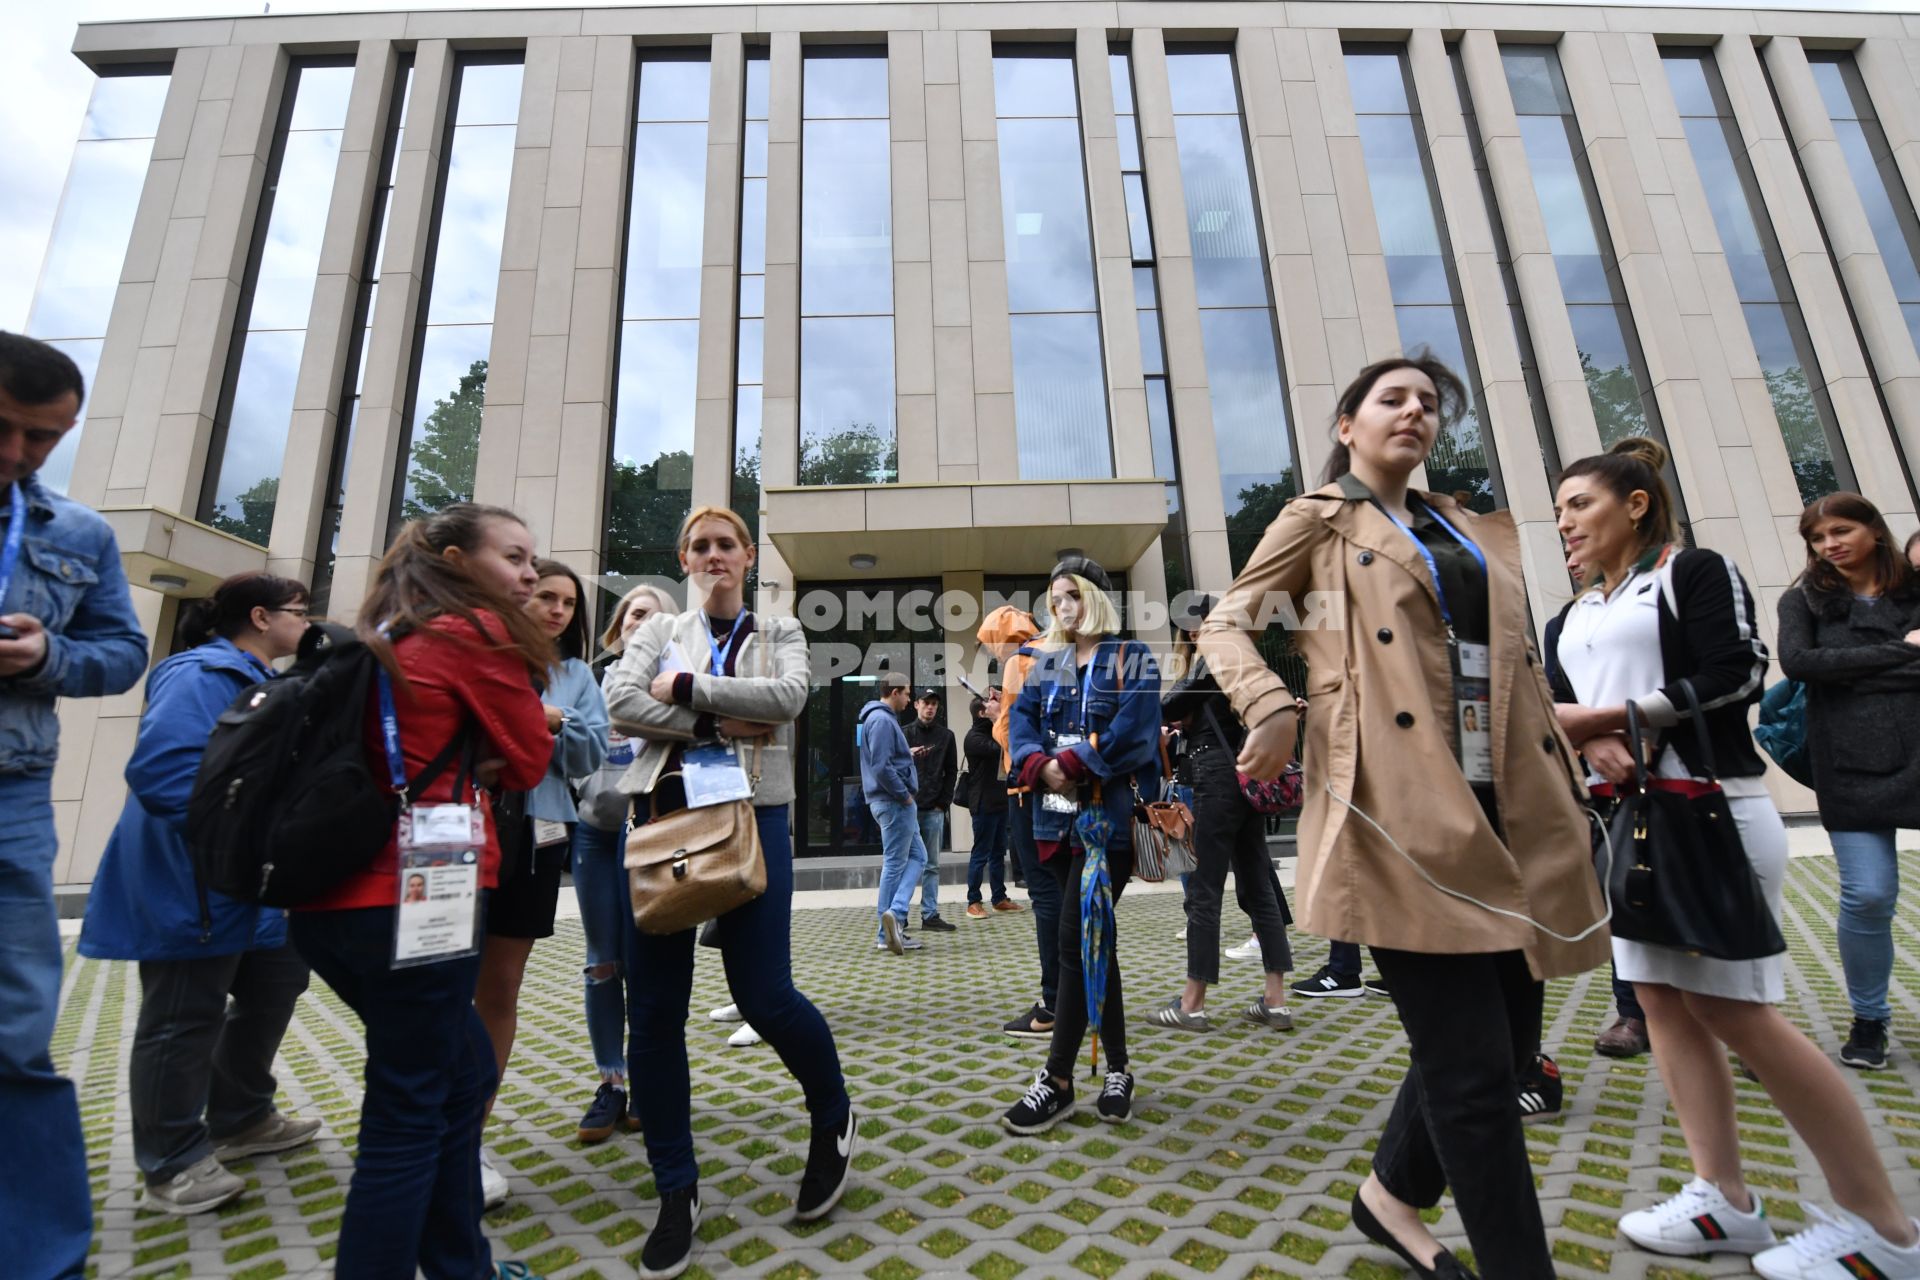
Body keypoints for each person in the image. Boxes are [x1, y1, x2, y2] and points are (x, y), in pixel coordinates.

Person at [1200, 355, 1609, 1279]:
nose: (1416, 413)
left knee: (1504, 1049)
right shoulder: (1319, 519)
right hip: (1396, 807)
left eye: (1429, 405)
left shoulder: (1460, 524)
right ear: (1348, 424)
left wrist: (1578, 743)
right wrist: (1270, 704)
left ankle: (1389, 1195)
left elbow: (1511, 663)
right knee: (1471, 1079)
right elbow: (1226, 622)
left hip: (1512, 803)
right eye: (1393, 400)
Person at [1549, 442, 1920, 1277]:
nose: (1565, 521)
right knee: (1661, 1004)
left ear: (1636, 504)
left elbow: (1740, 670)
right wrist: (1593, 741)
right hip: (1623, 829)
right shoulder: (1568, 615)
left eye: (1580, 503)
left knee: (1737, 1014)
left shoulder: (1694, 572)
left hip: (1711, 811)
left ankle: (1886, 1231)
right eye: (1561, 508)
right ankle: (1724, 1199)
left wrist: (1620, 721)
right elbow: (1551, 712)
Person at [289, 502, 555, 1280]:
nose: (530, 572)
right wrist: (494, 755)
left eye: (533, 557)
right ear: (453, 558)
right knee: (406, 1117)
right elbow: (533, 757)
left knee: (464, 1072)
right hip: (412, 906)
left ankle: (461, 1266)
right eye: (513, 556)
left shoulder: (389, 633)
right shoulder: (474, 632)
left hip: (328, 908)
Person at [606, 505, 854, 1280]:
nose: (714, 555)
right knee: (652, 1013)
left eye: (727, 545)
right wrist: (718, 719)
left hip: (756, 820)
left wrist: (681, 689)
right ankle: (675, 1189)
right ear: (685, 557)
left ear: (748, 556)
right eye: (701, 546)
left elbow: (786, 701)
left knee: (764, 995)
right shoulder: (656, 627)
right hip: (660, 822)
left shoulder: (779, 630)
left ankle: (835, 1114)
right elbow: (619, 699)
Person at [78, 572, 321, 1215]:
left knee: (276, 985)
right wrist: (254, 829)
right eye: (301, 610)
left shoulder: (265, 680)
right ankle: (171, 1161)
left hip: (254, 883)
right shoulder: (200, 673)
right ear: (262, 617)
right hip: (196, 880)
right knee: (183, 1016)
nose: (310, 621)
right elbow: (163, 772)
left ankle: (241, 1117)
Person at [0, 331, 149, 1279]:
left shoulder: (77, 534)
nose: (19, 455)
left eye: (45, 438)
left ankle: (40, 1258)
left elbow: (124, 653)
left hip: (12, 796)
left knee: (17, 1030)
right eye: (5, 429)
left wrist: (46, 658)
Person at [1000, 557, 1160, 1133]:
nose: (1059, 607)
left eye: (1069, 595)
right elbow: (1019, 722)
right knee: (1097, 939)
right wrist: (1039, 764)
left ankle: (1058, 1080)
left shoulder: (1130, 657)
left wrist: (1071, 761)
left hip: (1108, 825)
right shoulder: (1048, 664)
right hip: (1053, 822)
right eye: (1053, 598)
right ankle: (1117, 1068)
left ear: (1093, 597)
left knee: (1073, 938)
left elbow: (1135, 736)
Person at [470, 557, 606, 1206]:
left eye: (569, 603)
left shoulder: (576, 675)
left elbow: (588, 751)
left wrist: (548, 722)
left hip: (537, 832)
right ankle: (422, 1128)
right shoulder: (480, 652)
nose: (556, 610)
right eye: (546, 596)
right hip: (458, 829)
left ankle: (469, 1136)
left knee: (500, 984)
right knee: (441, 982)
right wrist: (543, 720)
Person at [1777, 492, 1920, 1072]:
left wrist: (1857, 672)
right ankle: (1869, 1019)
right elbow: (1800, 664)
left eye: (1841, 530)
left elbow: (1832, 668)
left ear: (1874, 531)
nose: (1829, 544)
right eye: (1817, 537)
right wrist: (1901, 655)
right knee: (1869, 894)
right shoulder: (1804, 600)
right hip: (1848, 766)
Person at [1154, 598, 1295, 1032]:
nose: (1194, 633)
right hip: (1248, 776)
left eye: (1198, 625)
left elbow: (1169, 704)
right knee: (1258, 887)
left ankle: (1192, 1003)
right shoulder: (1245, 661)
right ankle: (1276, 1000)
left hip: (1218, 781)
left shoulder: (1214, 656)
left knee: (1204, 890)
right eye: (1190, 628)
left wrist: (1180, 717)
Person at [572, 583, 678, 1143]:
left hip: (653, 837)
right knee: (602, 962)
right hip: (595, 836)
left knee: (646, 965)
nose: (644, 624)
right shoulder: (593, 680)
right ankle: (610, 1083)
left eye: (658, 618)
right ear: (618, 627)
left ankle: (645, 1080)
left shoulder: (675, 685)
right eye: (636, 614)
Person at [1550, 551, 1650, 1060]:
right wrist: (1590, 741)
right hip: (1604, 791)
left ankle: (1742, 1018)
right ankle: (1632, 1012)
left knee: (1705, 893)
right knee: (1622, 898)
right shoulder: (1562, 625)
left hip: (1683, 777)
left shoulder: (1670, 594)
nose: (1571, 555)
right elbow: (1553, 700)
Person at [978, 605, 1059, 1038]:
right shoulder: (1063, 649)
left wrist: (994, 721)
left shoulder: (1018, 661)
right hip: (1069, 786)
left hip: (1027, 791)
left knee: (1044, 894)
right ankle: (1081, 993)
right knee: (1069, 891)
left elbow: (1012, 734)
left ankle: (1051, 1004)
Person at [859, 670, 928, 954]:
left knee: (918, 857)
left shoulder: (880, 720)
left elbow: (885, 761)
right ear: (896, 692)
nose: (910, 699)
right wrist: (904, 796)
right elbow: (881, 767)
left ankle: (892, 921)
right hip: (895, 803)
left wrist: (906, 754)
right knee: (895, 864)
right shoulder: (881, 720)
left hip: (891, 802)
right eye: (908, 693)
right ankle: (889, 925)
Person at [904, 687, 958, 932]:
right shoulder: (903, 734)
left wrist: (943, 803)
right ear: (916, 704)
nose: (930, 707)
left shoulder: (946, 736)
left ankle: (930, 914)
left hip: (934, 809)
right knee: (902, 863)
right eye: (926, 702)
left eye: (934, 703)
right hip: (907, 809)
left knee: (932, 864)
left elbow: (951, 772)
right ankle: (899, 913)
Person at [962, 689, 1019, 917]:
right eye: (990, 706)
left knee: (998, 853)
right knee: (981, 853)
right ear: (981, 713)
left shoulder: (994, 732)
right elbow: (1003, 748)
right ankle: (973, 901)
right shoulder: (975, 739)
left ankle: (999, 897)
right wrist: (1000, 719)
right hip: (983, 804)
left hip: (1000, 802)